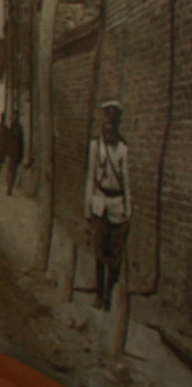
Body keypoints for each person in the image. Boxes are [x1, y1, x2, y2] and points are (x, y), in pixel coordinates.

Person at [85, 101, 129, 311]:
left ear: (117, 125)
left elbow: (127, 183)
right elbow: (90, 177)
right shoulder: (95, 146)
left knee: (115, 254)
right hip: (99, 203)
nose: (109, 127)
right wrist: (87, 208)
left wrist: (128, 210)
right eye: (106, 123)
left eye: (113, 124)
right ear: (102, 124)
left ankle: (110, 292)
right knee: (100, 251)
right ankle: (99, 293)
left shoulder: (123, 149)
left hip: (117, 205)